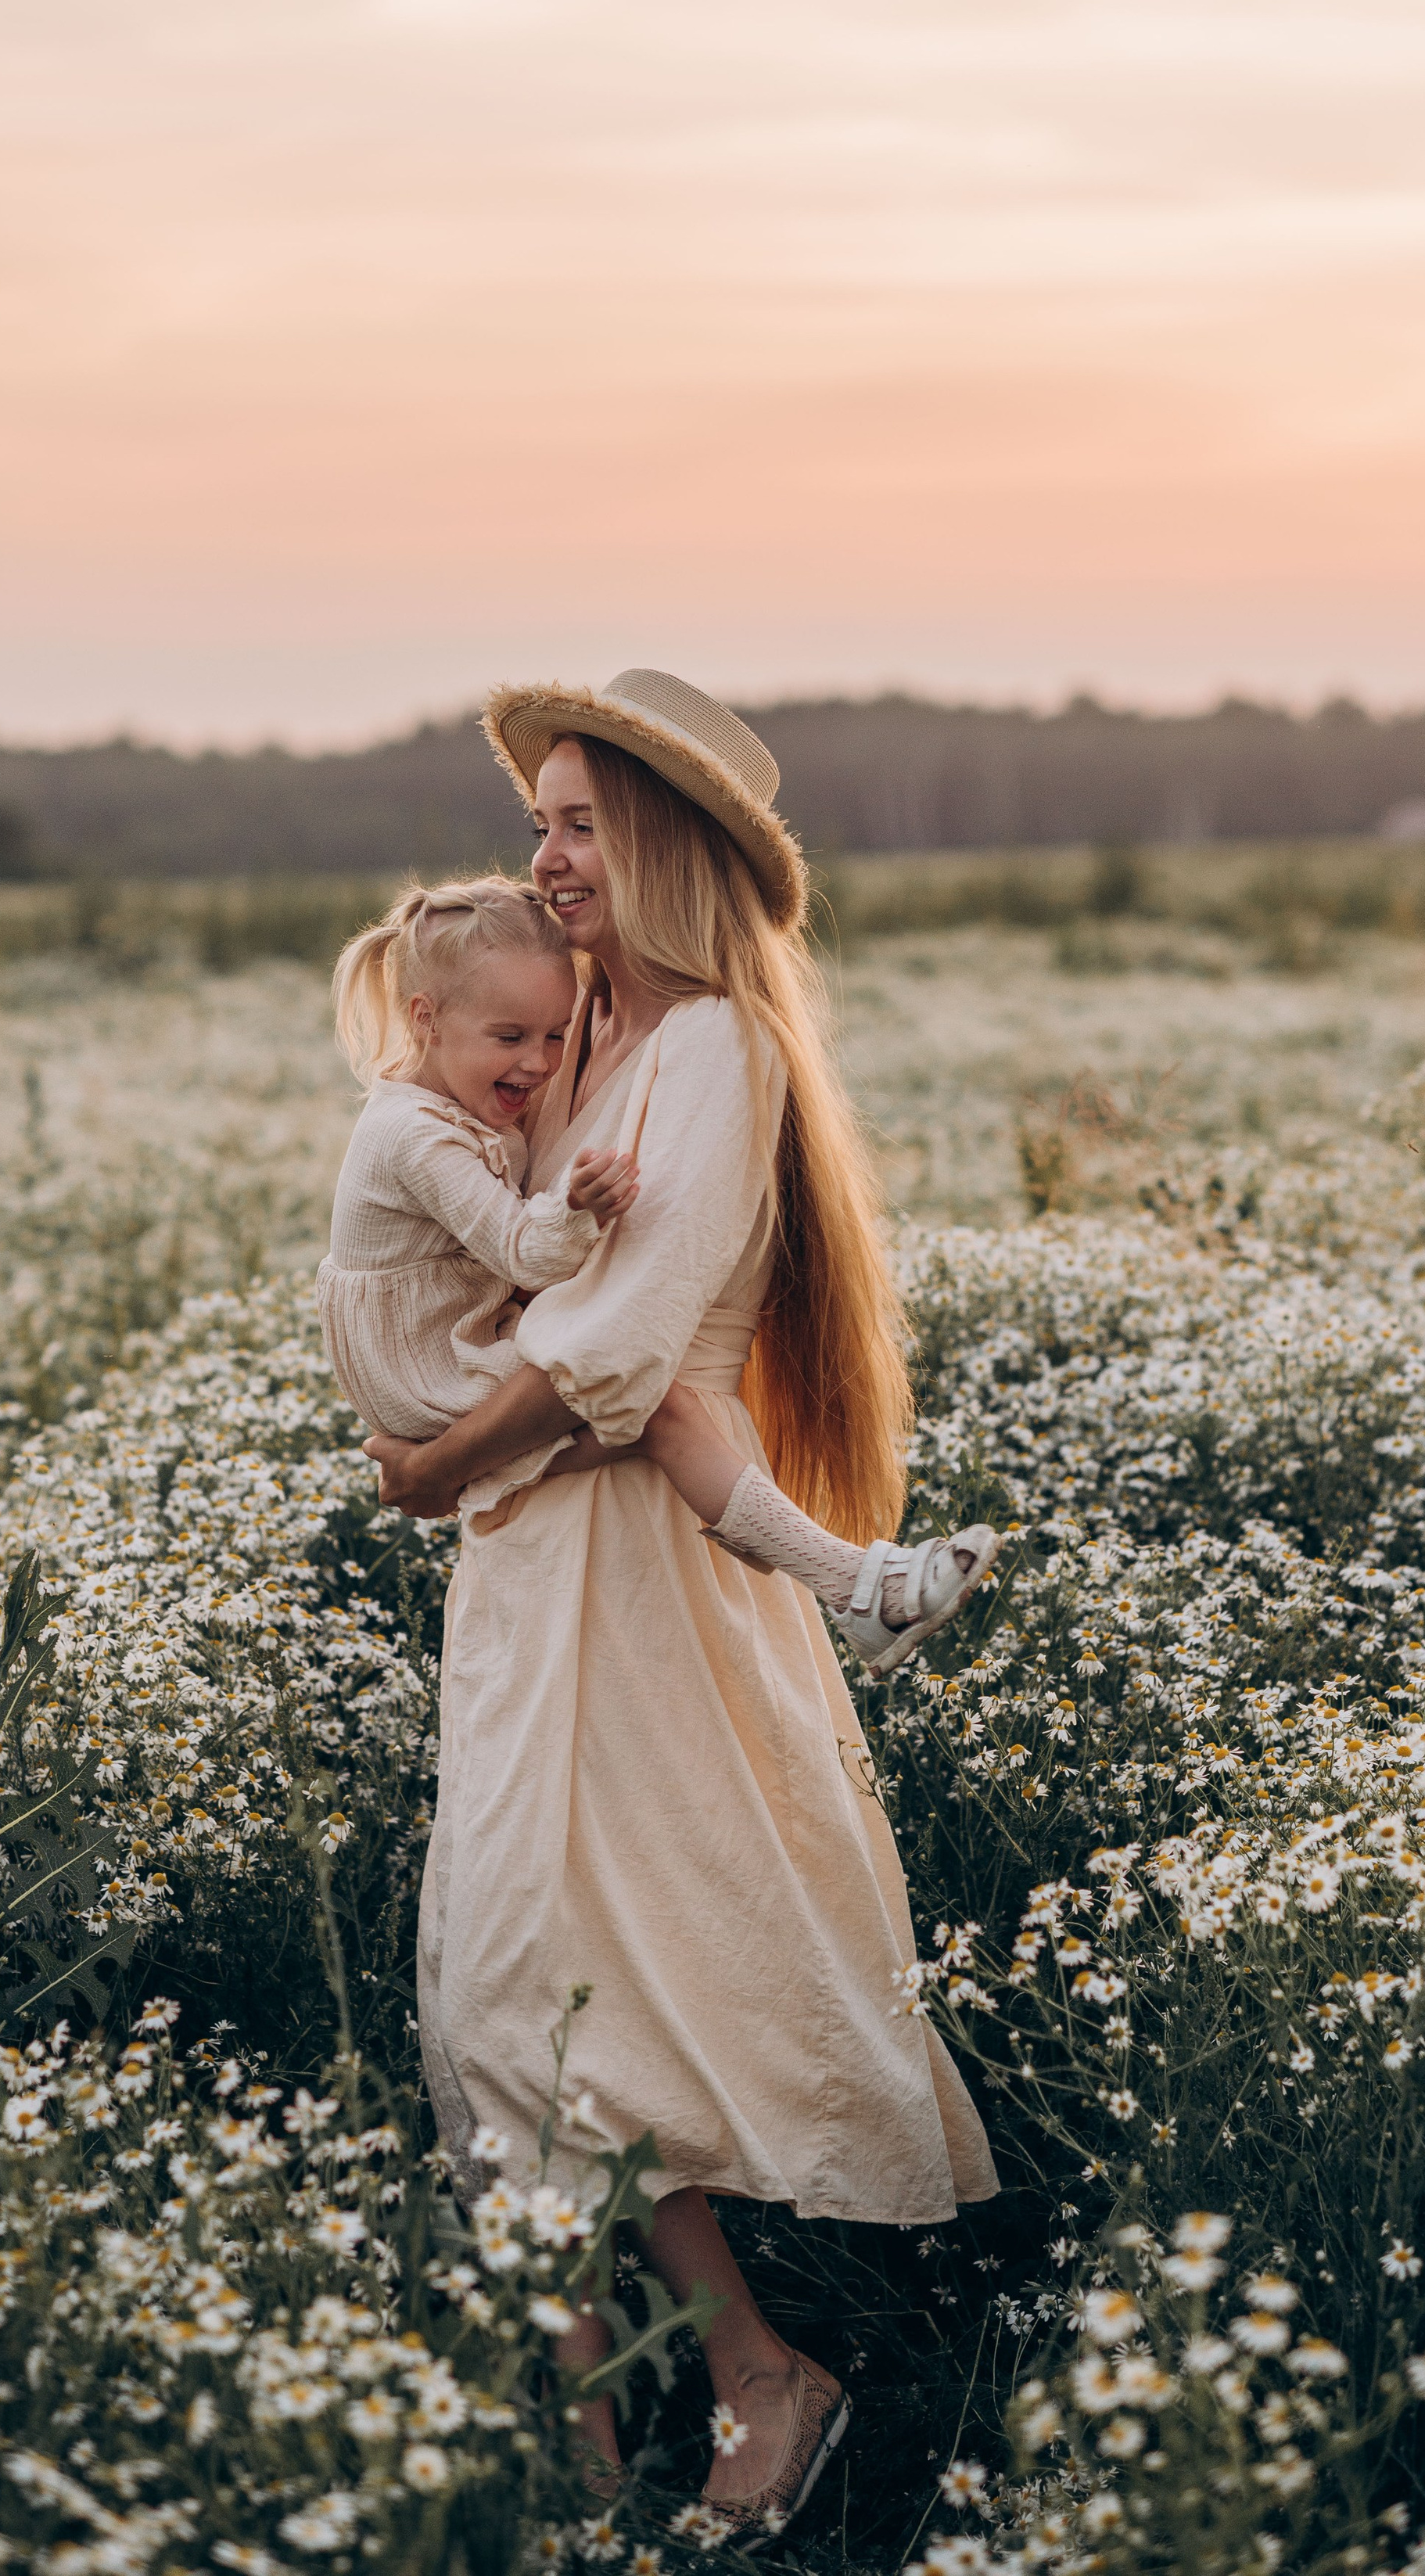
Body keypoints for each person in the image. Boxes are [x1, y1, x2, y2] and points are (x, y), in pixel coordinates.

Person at [364, 670, 998, 2544]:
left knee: (579, 2004)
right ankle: (600, 2442)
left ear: (654, 840)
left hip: (637, 1572)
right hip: (536, 1568)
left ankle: (753, 2375)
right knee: (507, 2016)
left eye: (573, 820)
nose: (541, 852)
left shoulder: (712, 1043)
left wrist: (425, 1461)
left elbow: (626, 1343)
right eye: (538, 818)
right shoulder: (574, 1040)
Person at [318, 876, 1001, 1672]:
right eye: (510, 1036)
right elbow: (524, 1252)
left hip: (440, 1344)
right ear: (424, 1017)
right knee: (655, 1408)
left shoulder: (450, 1101)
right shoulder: (417, 1136)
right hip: (421, 1368)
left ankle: (854, 1587)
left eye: (554, 1035)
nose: (538, 1062)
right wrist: (580, 1208)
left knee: (617, 1404)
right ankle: (855, 1584)